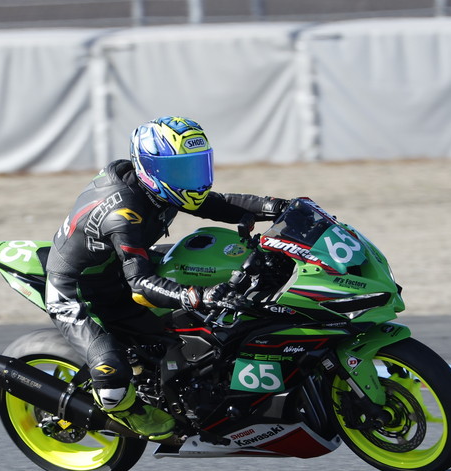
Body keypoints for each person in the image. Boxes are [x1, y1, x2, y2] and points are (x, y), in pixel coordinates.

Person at [45, 116, 287, 441]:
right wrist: (196, 295)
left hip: (120, 265)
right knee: (110, 369)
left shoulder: (159, 190)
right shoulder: (122, 213)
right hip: (77, 291)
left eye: (196, 167)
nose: (193, 180)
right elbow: (140, 285)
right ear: (150, 169)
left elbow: (215, 204)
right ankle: (127, 411)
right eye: (181, 171)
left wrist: (278, 206)